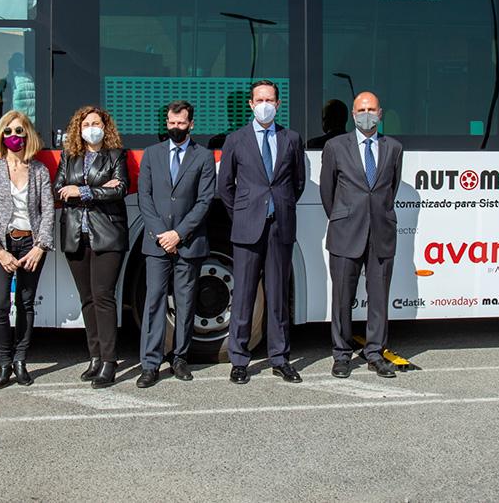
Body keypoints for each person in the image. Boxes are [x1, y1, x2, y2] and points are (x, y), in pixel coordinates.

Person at [217, 79, 306, 384]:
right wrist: (241, 214)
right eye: (259, 100)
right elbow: (225, 186)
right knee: (242, 295)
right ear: (251, 104)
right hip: (246, 228)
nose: (265, 104)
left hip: (280, 226)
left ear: (278, 104)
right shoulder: (236, 140)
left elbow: (297, 183)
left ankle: (280, 358)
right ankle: (239, 359)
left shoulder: (292, 138)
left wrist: (278, 206)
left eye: (270, 99)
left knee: (278, 295)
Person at [320, 92, 404, 378]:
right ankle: (341, 354)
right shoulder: (335, 147)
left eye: (371, 109)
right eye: (360, 109)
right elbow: (327, 192)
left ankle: (375, 353)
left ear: (380, 114)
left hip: (381, 232)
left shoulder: (393, 147)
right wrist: (344, 216)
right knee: (342, 297)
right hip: (346, 231)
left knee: (379, 298)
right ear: (353, 114)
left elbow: (389, 191)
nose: (366, 114)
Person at [135, 101, 216, 388]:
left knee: (185, 303)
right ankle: (150, 364)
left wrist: (178, 234)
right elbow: (144, 197)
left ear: (191, 124)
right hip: (157, 244)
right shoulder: (152, 154)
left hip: (188, 243)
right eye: (171, 123)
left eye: (181, 124)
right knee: (154, 303)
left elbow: (205, 201)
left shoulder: (203, 157)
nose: (175, 128)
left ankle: (180, 358)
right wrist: (162, 233)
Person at [0, 110, 54, 389]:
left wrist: (40, 247)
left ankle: (21, 361)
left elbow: (48, 212)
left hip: (30, 245)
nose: (13, 136)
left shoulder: (39, 170)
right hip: (2, 246)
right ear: (1, 135)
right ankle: (4, 364)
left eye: (19, 131)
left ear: (28, 135)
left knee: (25, 304)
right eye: (8, 131)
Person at [55, 106, 128, 388]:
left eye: (96, 122)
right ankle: (95, 357)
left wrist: (81, 190)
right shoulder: (69, 156)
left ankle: (110, 362)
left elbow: (120, 189)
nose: (91, 127)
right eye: (86, 123)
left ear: (105, 126)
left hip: (107, 235)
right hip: (76, 235)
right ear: (78, 128)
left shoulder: (117, 155)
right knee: (87, 298)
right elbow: (57, 189)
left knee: (103, 296)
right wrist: (99, 190)